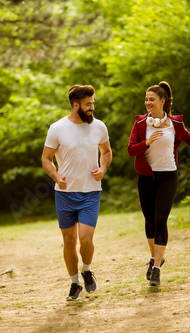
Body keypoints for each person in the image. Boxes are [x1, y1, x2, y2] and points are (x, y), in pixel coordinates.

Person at [127, 81, 190, 287]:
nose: (147, 102)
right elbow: (131, 150)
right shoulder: (140, 124)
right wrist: (146, 142)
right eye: (146, 99)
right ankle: (154, 257)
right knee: (149, 220)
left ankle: (156, 269)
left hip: (168, 176)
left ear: (162, 101)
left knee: (160, 219)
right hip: (147, 177)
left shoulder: (175, 124)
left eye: (151, 99)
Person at [42, 85, 112, 300]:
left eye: (93, 103)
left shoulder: (99, 126)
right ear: (75, 105)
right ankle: (74, 284)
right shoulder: (57, 128)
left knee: (86, 239)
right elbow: (46, 159)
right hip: (64, 194)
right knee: (69, 241)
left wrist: (103, 168)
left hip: (91, 191)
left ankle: (87, 270)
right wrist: (56, 176)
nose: (92, 108)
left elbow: (107, 152)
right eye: (88, 104)